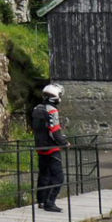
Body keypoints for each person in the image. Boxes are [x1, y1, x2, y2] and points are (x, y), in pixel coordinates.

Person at [32, 83, 69, 212]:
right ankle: (50, 202)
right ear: (56, 96)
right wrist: (64, 143)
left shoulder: (37, 108)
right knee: (58, 177)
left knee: (44, 175)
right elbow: (55, 131)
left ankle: (41, 201)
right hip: (51, 148)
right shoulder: (52, 110)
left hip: (40, 147)